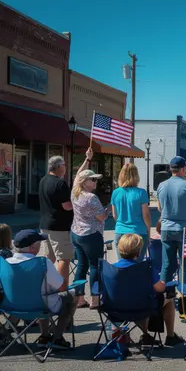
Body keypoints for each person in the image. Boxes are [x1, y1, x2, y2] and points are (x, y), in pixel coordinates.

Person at [7, 230, 78, 350]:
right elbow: (61, 287)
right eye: (39, 243)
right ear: (32, 247)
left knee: (42, 296)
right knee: (73, 295)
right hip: (41, 306)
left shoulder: (5, 263)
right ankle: (57, 337)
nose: (40, 245)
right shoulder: (42, 263)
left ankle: (45, 336)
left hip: (13, 307)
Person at [114, 233, 185, 347]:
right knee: (169, 297)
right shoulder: (146, 268)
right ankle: (170, 336)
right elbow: (160, 288)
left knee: (141, 299)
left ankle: (146, 335)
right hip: (142, 307)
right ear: (139, 252)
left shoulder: (111, 268)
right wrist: (166, 282)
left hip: (115, 308)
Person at [39, 148, 93, 289]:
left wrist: (87, 159)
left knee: (49, 258)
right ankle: (62, 289)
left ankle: (47, 286)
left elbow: (77, 178)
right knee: (64, 258)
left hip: (45, 225)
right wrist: (79, 204)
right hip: (59, 227)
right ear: (58, 167)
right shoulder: (59, 183)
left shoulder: (43, 180)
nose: (65, 167)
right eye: (64, 165)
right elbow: (67, 206)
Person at [156, 156, 186, 282]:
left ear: (171, 169)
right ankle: (184, 294)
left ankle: (166, 295)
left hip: (166, 228)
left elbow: (160, 208)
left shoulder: (161, 186)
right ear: (182, 169)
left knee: (166, 265)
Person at [71, 168, 109, 309]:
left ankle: (79, 298)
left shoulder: (75, 192)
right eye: (92, 179)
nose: (95, 182)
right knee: (95, 266)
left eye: (95, 179)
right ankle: (95, 299)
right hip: (91, 234)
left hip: (76, 232)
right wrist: (109, 208)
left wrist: (87, 159)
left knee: (81, 265)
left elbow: (75, 180)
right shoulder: (91, 198)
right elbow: (102, 216)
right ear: (84, 182)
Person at [111, 163, 151, 261]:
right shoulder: (141, 193)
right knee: (137, 266)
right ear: (136, 176)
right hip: (138, 232)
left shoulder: (116, 193)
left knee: (122, 265)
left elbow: (114, 215)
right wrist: (148, 231)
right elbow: (145, 215)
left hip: (120, 231)